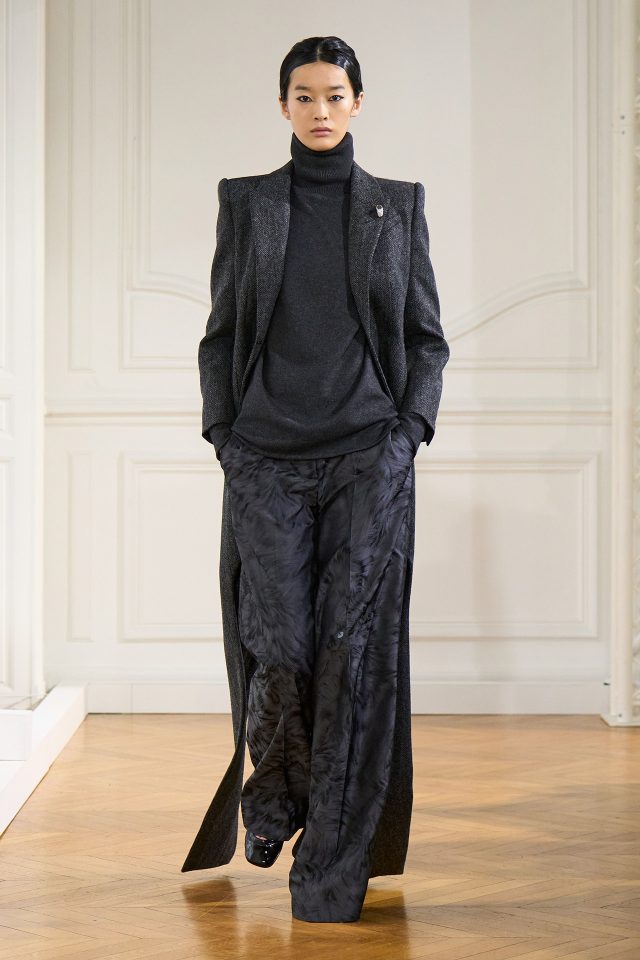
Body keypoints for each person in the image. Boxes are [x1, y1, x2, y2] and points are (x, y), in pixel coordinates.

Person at [181, 35, 450, 924]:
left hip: (368, 455)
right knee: (282, 646)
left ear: (358, 102)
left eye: (336, 95)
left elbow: (426, 339)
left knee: (349, 656)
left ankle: (330, 873)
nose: (321, 110)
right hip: (264, 455)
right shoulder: (248, 202)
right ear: (284, 105)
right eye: (305, 96)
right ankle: (273, 801)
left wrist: (407, 434)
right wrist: (224, 434)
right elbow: (222, 332)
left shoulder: (397, 206)